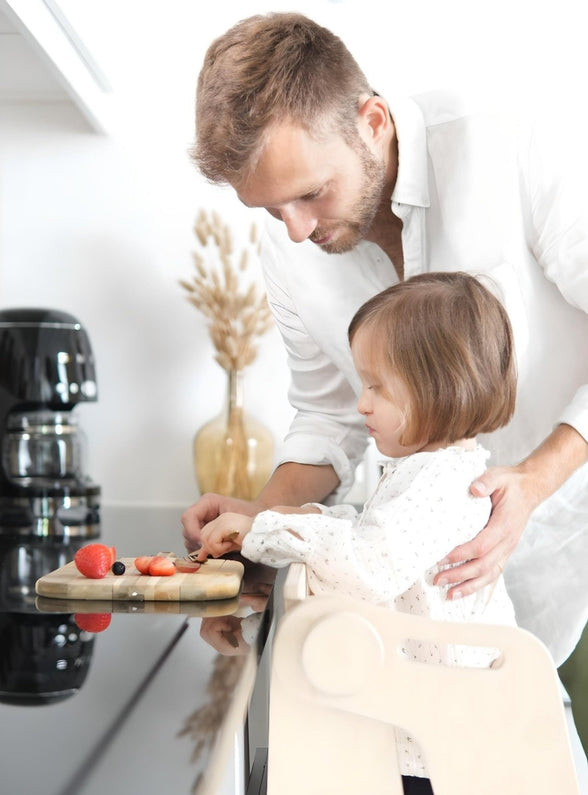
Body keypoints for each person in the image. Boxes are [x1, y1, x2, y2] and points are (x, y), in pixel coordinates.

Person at [183, 13, 588, 670]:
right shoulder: (288, 247)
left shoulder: (506, 139)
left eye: (311, 193)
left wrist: (537, 481)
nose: (294, 230)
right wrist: (258, 521)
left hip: (573, 536)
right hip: (433, 603)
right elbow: (325, 414)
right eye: (269, 209)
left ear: (372, 122)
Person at [195, 272, 519, 794]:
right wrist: (279, 522)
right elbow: (370, 529)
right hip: (434, 721)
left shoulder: (440, 482)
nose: (361, 403)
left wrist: (266, 531)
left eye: (376, 386)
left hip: (437, 742)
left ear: (436, 386)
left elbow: (369, 565)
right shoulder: (430, 471)